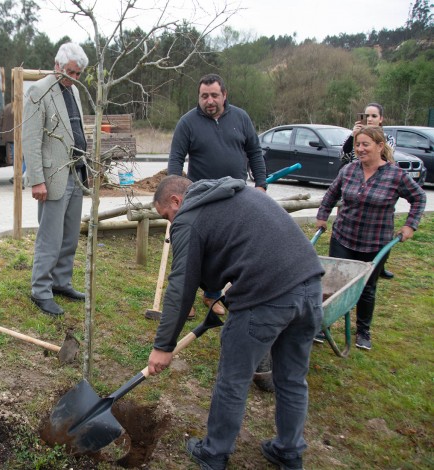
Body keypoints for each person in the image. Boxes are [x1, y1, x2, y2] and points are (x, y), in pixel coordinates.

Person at [147, 175, 324, 470]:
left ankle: (214, 453)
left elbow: (181, 287)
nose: (170, 224)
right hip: (310, 285)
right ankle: (289, 451)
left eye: (166, 215)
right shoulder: (234, 193)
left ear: (176, 201)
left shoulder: (189, 217)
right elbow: (250, 246)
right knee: (291, 378)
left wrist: (163, 346)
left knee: (233, 379)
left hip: (267, 295)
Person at [316, 126, 425, 351]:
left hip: (375, 243)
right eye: (357, 145)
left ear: (380, 146)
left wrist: (410, 225)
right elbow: (331, 194)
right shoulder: (349, 170)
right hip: (343, 237)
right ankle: (323, 324)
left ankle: (363, 331)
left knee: (366, 288)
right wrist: (322, 216)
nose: (360, 149)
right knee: (336, 284)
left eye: (365, 144)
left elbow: (419, 197)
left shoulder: (395, 175)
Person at [167, 73, 267, 318]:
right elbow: (175, 160)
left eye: (213, 95)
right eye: (204, 96)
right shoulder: (188, 122)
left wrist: (261, 185)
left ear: (224, 95)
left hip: (235, 196)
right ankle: (184, 297)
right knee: (191, 249)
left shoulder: (241, 118)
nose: (209, 101)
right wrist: (175, 192)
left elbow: (255, 152)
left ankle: (212, 295)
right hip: (201, 197)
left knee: (225, 249)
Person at [22, 42, 89, 316]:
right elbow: (31, 139)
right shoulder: (39, 90)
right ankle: (41, 290)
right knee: (50, 237)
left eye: (79, 74)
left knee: (70, 235)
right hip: (52, 177)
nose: (74, 79)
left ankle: (61, 282)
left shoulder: (73, 92)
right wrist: (36, 180)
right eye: (71, 72)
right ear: (57, 65)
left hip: (76, 171)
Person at [340, 102, 397, 279]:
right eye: (367, 116)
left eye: (374, 116)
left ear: (381, 119)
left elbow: (388, 158)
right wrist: (353, 137)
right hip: (353, 183)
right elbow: (344, 157)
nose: (370, 119)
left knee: (378, 225)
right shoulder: (354, 136)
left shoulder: (388, 139)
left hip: (379, 186)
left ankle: (378, 266)